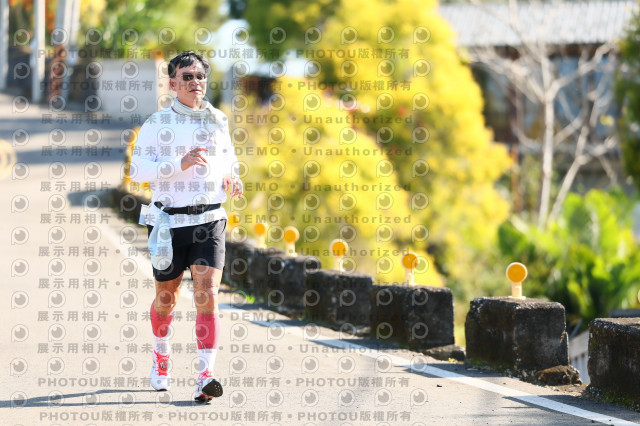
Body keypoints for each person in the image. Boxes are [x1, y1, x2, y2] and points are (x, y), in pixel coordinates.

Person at [130, 50, 243, 402]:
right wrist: (179, 164)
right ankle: (161, 355)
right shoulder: (157, 123)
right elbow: (137, 171)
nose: (196, 82)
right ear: (173, 83)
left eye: (200, 76)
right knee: (167, 299)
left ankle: (205, 375)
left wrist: (233, 177)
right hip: (169, 222)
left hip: (210, 219)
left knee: (207, 293)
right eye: (188, 77)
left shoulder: (218, 119)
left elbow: (229, 159)